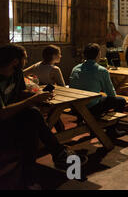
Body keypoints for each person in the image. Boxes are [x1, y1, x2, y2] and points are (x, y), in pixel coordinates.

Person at [0, 44, 83, 189]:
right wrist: (31, 100)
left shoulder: (16, 73)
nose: (26, 61)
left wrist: (37, 96)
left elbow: (20, 93)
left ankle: (31, 175)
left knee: (33, 117)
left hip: (11, 117)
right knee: (31, 122)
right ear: (15, 61)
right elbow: (2, 113)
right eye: (25, 58)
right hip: (3, 121)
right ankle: (57, 155)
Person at [69, 43, 126, 137]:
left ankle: (85, 121)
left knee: (99, 97)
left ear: (84, 55)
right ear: (98, 55)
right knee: (120, 101)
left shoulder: (75, 68)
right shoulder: (101, 70)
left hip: (75, 105)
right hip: (91, 107)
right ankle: (111, 130)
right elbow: (111, 94)